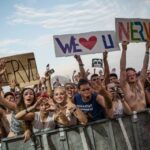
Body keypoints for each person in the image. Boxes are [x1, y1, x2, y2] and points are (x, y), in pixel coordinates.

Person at [120, 41, 150, 111]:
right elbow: (122, 69)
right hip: (132, 118)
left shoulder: (140, 83)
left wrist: (147, 49)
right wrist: (124, 50)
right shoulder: (125, 86)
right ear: (126, 77)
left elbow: (145, 67)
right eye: (129, 75)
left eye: (133, 74)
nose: (132, 76)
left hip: (145, 115)